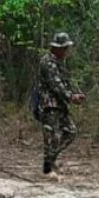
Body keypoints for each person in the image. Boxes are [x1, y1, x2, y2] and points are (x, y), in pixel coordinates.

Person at [36, 32, 85, 180]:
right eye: (64, 48)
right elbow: (56, 85)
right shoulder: (47, 62)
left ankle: (51, 160)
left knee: (70, 132)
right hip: (49, 105)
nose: (66, 52)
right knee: (52, 137)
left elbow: (65, 83)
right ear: (56, 48)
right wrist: (71, 97)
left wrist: (75, 93)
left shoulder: (59, 62)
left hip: (60, 105)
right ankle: (47, 169)